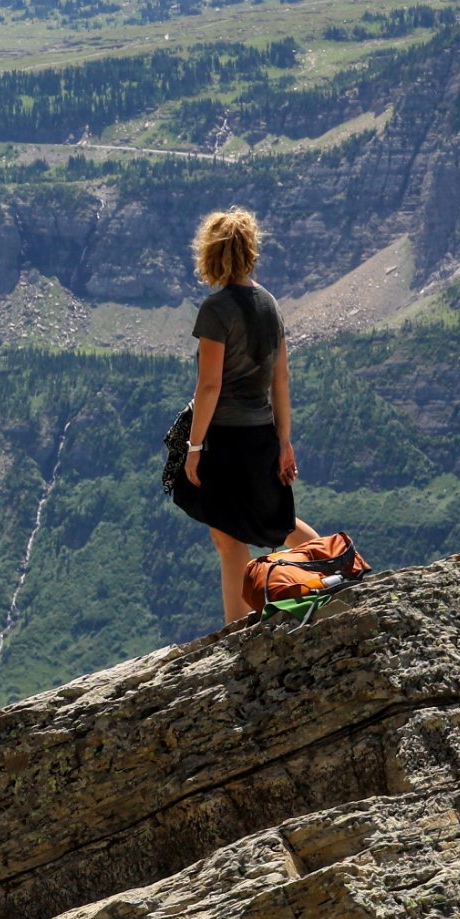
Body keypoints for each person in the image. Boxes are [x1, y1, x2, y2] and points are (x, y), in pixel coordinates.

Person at [175, 207, 321, 625]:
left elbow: (209, 387)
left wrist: (195, 446)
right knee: (275, 518)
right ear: (250, 250)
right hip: (262, 436)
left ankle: (235, 626)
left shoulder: (216, 310)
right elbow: (281, 381)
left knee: (227, 531)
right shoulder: (269, 305)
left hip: (225, 438)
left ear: (212, 253)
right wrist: (284, 441)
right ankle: (333, 570)